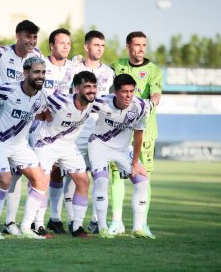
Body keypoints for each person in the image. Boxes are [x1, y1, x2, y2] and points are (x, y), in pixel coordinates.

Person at [0, 56, 48, 239]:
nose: (40, 76)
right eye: (36, 72)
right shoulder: (6, 90)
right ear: (26, 73)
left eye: (43, 72)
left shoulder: (41, 97)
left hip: (19, 145)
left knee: (41, 180)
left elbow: (43, 115)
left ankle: (26, 228)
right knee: (4, 180)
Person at [0, 20, 44, 236]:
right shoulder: (1, 55)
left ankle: (22, 225)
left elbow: (42, 106)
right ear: (18, 36)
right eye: (27, 36)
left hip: (21, 138)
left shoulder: (38, 61)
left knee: (35, 179)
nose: (31, 41)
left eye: (34, 37)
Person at [110, 31, 162, 238]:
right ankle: (116, 221)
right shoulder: (117, 66)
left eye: (144, 45)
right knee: (116, 173)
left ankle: (142, 224)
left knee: (143, 176)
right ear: (128, 47)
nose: (141, 49)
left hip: (146, 130)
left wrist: (151, 103)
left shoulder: (154, 70)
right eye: (137, 45)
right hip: (120, 130)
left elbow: (156, 94)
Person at [34, 71, 97, 238]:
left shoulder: (93, 103)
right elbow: (36, 97)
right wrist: (41, 113)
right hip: (46, 143)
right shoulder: (59, 100)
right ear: (76, 89)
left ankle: (77, 227)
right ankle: (38, 225)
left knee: (83, 180)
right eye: (87, 87)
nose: (92, 90)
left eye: (94, 86)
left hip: (68, 147)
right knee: (42, 182)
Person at [88, 73, 152, 238]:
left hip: (123, 149)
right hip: (99, 146)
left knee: (142, 181)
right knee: (102, 181)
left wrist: (136, 162)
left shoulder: (140, 106)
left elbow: (138, 135)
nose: (129, 95)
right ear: (115, 92)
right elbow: (80, 105)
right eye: (124, 91)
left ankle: (138, 228)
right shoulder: (102, 102)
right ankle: (102, 227)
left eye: (131, 91)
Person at [72, 30, 115, 234]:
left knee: (100, 175)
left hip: (100, 133)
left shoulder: (109, 73)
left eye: (102, 46)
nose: (100, 49)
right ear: (86, 47)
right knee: (71, 176)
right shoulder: (73, 68)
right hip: (78, 129)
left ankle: (97, 220)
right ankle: (70, 220)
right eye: (96, 45)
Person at [34, 28, 75, 235]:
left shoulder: (74, 68)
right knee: (36, 174)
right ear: (51, 46)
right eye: (61, 43)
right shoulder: (41, 65)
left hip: (61, 130)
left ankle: (55, 218)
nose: (66, 46)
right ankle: (30, 219)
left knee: (58, 173)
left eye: (68, 43)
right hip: (37, 126)